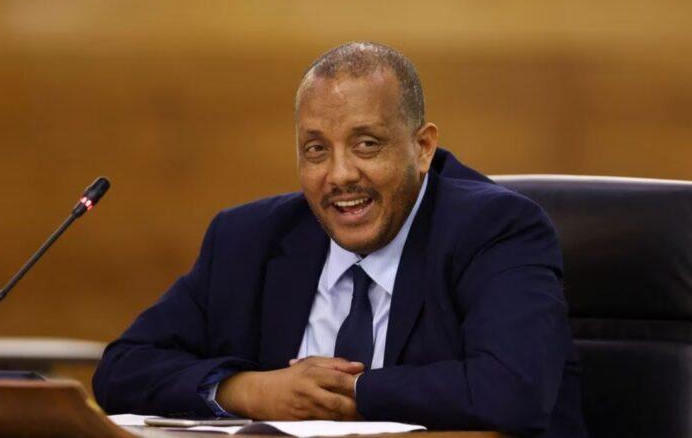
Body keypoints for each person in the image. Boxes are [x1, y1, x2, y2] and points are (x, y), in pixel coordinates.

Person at [93, 42, 586, 437]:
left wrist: (351, 390)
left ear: (422, 148)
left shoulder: (495, 229)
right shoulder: (247, 239)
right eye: (315, 150)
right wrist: (249, 391)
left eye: (367, 144)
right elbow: (122, 370)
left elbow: (511, 389)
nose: (340, 175)